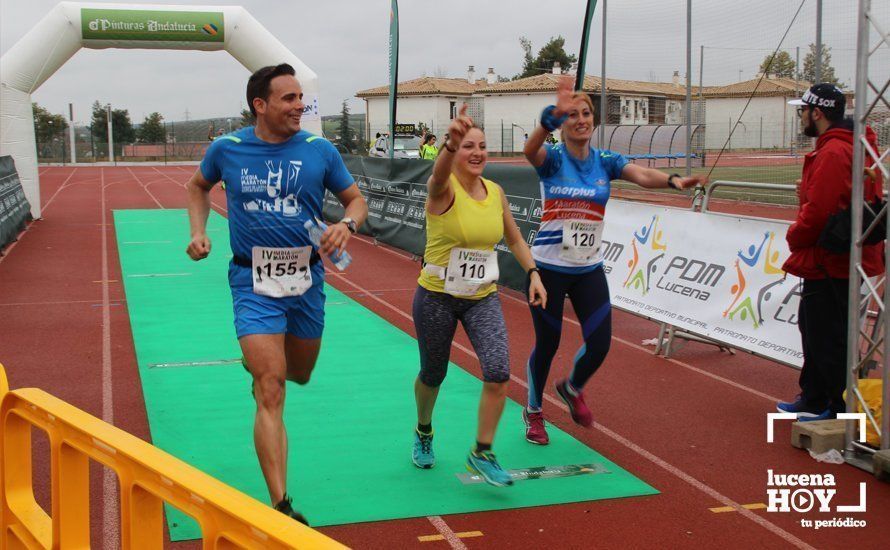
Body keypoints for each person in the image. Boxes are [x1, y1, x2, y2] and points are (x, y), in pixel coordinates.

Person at [185, 63, 368, 523]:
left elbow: (356, 201)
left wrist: (346, 226)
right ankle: (282, 505)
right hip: (253, 280)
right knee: (271, 386)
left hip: (306, 281)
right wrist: (198, 231)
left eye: (300, 96)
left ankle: (266, 363)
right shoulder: (227, 149)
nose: (299, 105)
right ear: (260, 105)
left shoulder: (319, 150)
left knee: (299, 373)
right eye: (288, 98)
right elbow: (197, 187)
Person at [521, 76, 705, 445]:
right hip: (549, 270)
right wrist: (546, 120)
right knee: (549, 342)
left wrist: (673, 181)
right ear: (563, 122)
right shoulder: (553, 159)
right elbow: (530, 150)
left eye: (586, 113)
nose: (581, 120)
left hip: (588, 268)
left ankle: (571, 388)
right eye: (572, 115)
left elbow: (641, 174)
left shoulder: (605, 162)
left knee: (601, 343)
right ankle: (534, 411)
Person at [412, 104, 546, 486]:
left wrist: (533, 273)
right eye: (468, 146)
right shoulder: (442, 190)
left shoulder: (496, 192)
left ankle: (482, 451)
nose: (477, 153)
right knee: (433, 373)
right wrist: (449, 146)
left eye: (482, 147)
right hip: (436, 296)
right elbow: (437, 174)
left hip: (482, 296)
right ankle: (423, 430)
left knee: (499, 371)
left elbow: (516, 238)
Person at [777, 83, 884, 421]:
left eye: (803, 111)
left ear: (817, 113)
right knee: (814, 327)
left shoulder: (835, 151)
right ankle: (814, 396)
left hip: (831, 260)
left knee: (828, 335)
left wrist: (795, 235)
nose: (802, 117)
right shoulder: (845, 147)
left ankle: (836, 409)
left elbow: (820, 210)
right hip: (830, 259)